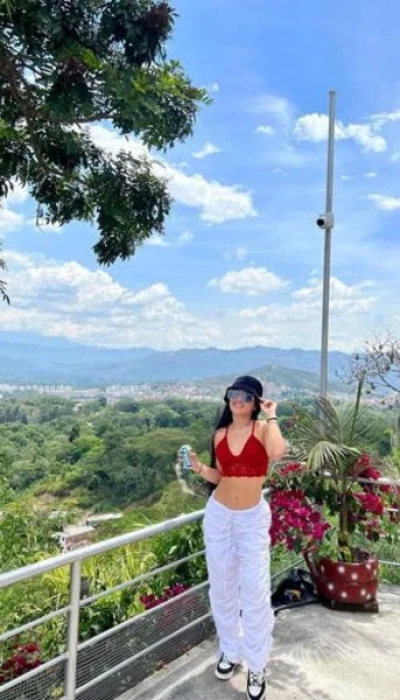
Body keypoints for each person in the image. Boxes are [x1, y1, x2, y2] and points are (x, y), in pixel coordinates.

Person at [186, 376, 286, 700]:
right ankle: (230, 650)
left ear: (255, 401)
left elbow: (277, 452)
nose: (238, 399)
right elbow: (221, 476)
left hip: (251, 520)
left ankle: (257, 665)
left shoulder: (263, 429)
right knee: (222, 589)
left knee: (255, 593)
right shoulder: (220, 435)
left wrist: (272, 414)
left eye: (246, 395)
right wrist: (199, 468)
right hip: (219, 516)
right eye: (233, 394)